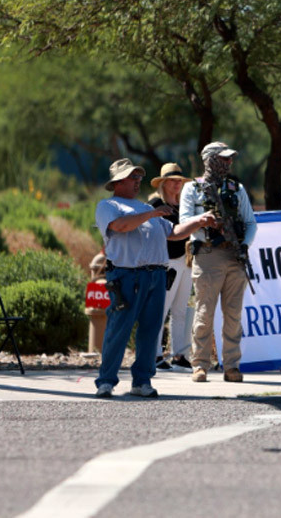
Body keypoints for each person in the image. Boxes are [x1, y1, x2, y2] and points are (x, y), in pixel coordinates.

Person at [94, 159, 215, 398]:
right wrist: (152, 213)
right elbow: (121, 226)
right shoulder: (108, 205)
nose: (137, 180)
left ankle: (142, 381)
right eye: (132, 177)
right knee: (119, 330)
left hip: (156, 276)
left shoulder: (144, 207)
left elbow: (174, 233)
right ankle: (106, 381)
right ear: (118, 182)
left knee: (151, 331)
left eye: (139, 176)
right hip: (126, 276)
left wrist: (198, 221)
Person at [180, 141, 257, 384]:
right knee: (204, 313)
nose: (228, 163)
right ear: (210, 160)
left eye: (230, 159)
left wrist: (244, 245)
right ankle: (200, 365)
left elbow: (251, 222)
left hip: (235, 257)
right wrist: (204, 222)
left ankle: (232, 366)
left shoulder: (237, 188)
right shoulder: (192, 189)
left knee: (233, 316)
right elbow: (184, 222)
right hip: (208, 255)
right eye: (223, 159)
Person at [149, 163, 194, 370]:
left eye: (179, 181)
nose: (177, 184)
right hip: (168, 261)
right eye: (173, 181)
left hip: (186, 261)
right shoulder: (156, 204)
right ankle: (156, 353)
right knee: (162, 309)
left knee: (180, 310)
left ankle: (179, 354)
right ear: (164, 183)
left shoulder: (183, 205)